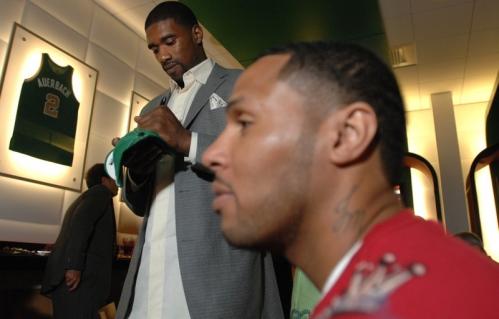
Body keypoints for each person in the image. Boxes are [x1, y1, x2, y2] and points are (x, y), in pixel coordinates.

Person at [202, 41, 499, 319]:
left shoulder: (417, 301)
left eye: (245, 123)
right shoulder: (373, 289)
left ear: (348, 135)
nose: (211, 154)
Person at [115, 2, 283, 318]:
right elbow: (138, 203)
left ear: (196, 33)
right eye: (154, 48)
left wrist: (187, 142)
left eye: (169, 41)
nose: (163, 56)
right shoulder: (152, 107)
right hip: (150, 274)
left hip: (217, 280)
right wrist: (135, 172)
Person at [41, 163, 118, 319]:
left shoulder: (85, 198)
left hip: (74, 285)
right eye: (114, 179)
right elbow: (81, 223)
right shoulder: (100, 193)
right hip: (80, 283)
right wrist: (74, 266)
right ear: (104, 180)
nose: (118, 184)